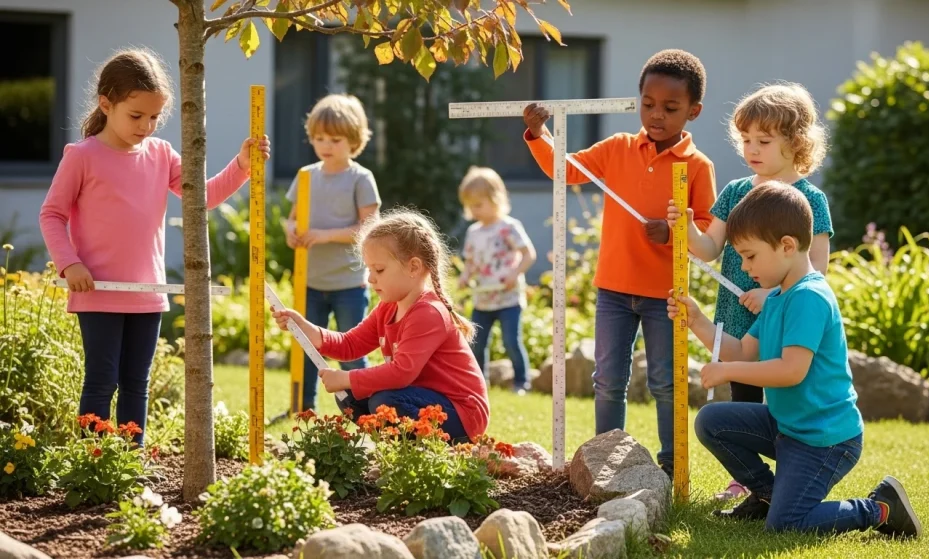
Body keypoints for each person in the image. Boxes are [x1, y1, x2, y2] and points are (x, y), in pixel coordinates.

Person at [38, 48, 271, 445]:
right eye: (136, 116)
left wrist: (242, 165)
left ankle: (130, 461)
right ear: (105, 103)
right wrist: (69, 263)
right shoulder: (82, 157)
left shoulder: (162, 154)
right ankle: (89, 464)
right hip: (97, 294)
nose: (147, 126)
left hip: (148, 296)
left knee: (136, 385)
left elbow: (204, 197)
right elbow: (52, 215)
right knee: (100, 381)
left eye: (154, 118)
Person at [667, 182, 921, 538]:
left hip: (825, 440)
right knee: (712, 421)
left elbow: (791, 371)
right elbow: (741, 351)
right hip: (788, 426)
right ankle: (772, 495)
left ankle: (879, 508)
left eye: (750, 256)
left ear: (787, 245)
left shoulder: (809, 297)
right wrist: (697, 321)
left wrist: (727, 371)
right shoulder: (777, 297)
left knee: (787, 525)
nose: (743, 266)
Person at [522, 49, 717, 476]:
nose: (657, 115)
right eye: (648, 104)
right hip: (613, 289)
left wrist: (671, 233)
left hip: (666, 295)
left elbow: (705, 228)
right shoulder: (618, 148)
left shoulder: (698, 166)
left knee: (666, 382)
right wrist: (540, 134)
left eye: (671, 108)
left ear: (693, 111)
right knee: (607, 380)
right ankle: (602, 461)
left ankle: (670, 466)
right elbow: (566, 170)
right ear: (638, 101)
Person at [667, 81, 834, 500]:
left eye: (763, 140)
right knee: (743, 397)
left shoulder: (811, 200)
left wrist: (773, 296)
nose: (751, 149)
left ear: (795, 142)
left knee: (780, 398)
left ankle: (792, 471)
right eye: (745, 140)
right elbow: (707, 249)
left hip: (784, 323)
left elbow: (819, 268)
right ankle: (749, 481)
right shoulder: (736, 192)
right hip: (737, 316)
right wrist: (686, 226)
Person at [271, 210, 490, 443]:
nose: (370, 279)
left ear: (414, 267)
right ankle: (404, 450)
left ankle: (427, 451)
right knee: (349, 397)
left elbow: (401, 372)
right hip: (423, 400)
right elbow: (350, 344)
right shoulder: (388, 307)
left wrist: (347, 377)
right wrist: (306, 329)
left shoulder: (428, 312)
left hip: (462, 414)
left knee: (384, 402)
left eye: (379, 270)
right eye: (369, 269)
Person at [285, 93, 381, 412]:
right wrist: (290, 231)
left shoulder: (361, 178)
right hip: (309, 281)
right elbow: (293, 219)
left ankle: (362, 410)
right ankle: (303, 408)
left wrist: (325, 236)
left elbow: (370, 228)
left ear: (354, 140)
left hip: (349, 284)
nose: (326, 145)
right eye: (319, 138)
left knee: (353, 352)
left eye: (335, 139)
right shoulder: (305, 175)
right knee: (307, 348)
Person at [456, 166, 537, 395]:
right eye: (470, 206)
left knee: (511, 341)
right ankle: (478, 384)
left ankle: (522, 382)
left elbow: (529, 254)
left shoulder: (508, 227)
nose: (475, 210)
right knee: (478, 344)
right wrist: (465, 277)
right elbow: (471, 262)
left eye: (479, 205)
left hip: (508, 297)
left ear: (496, 199)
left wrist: (515, 273)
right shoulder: (474, 232)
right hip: (483, 298)